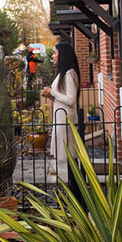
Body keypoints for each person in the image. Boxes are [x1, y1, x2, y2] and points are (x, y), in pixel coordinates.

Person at [41, 42, 81, 194]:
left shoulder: (70, 73)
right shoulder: (63, 73)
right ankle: (74, 189)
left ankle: (77, 192)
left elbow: (71, 100)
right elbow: (61, 99)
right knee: (70, 158)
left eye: (55, 53)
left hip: (67, 120)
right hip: (61, 118)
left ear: (62, 55)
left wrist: (53, 91)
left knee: (72, 156)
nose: (52, 56)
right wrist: (50, 95)